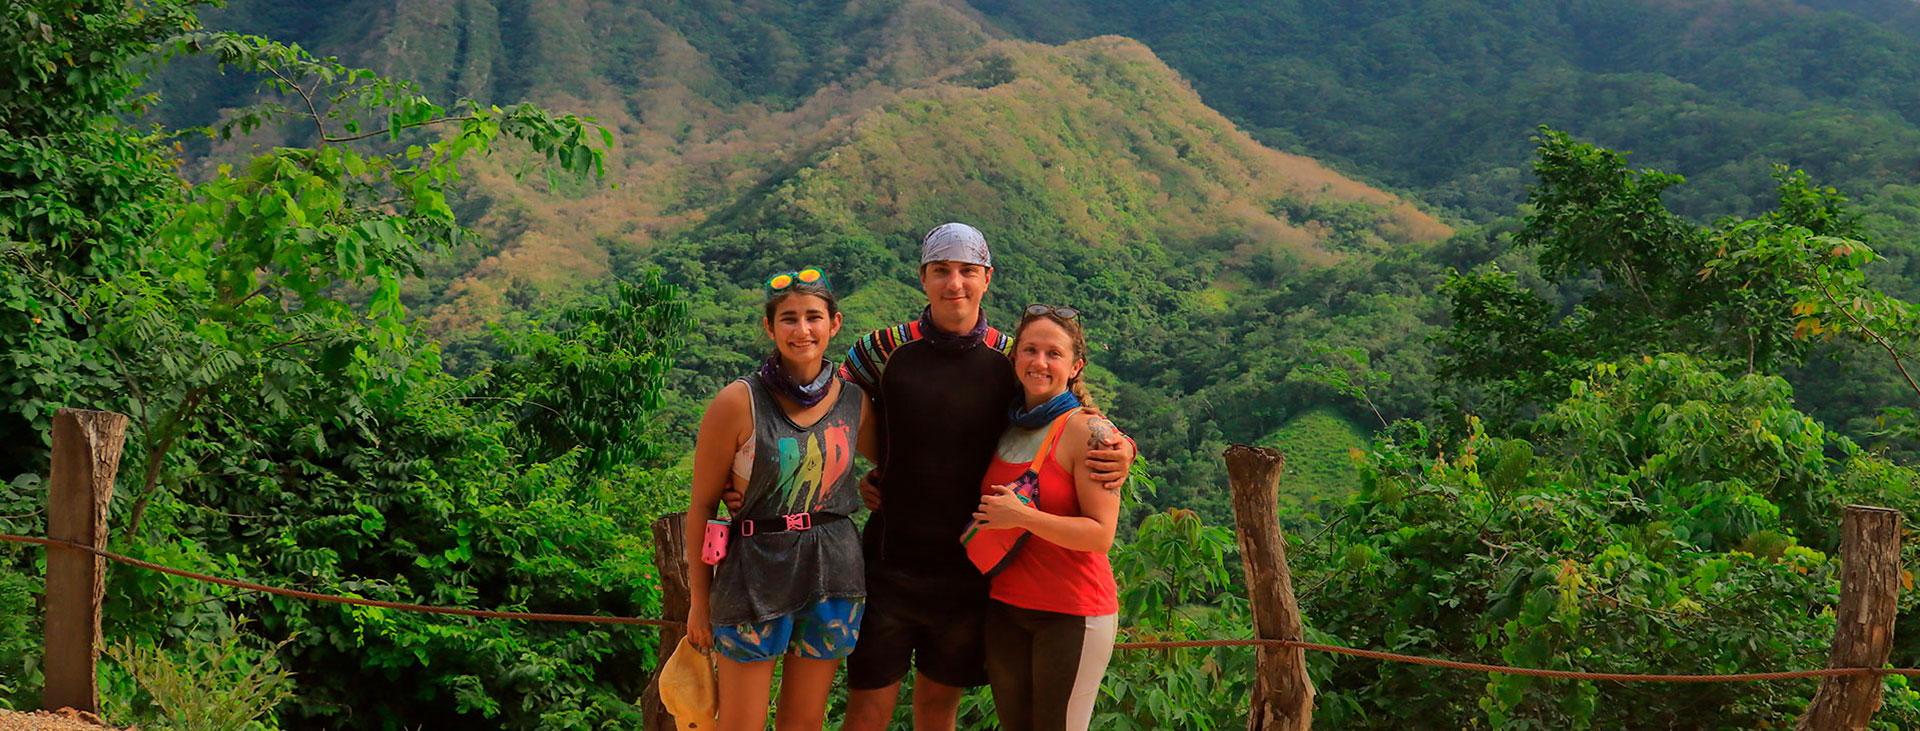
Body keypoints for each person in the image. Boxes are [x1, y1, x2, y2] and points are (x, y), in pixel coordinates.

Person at [834, 223, 1137, 731]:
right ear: (923, 278)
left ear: (987, 278)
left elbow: (1063, 407)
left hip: (970, 572)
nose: (955, 283)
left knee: (938, 712)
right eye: (941, 270)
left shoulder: (1010, 357)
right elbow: (829, 410)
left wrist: (1122, 446)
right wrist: (878, 467)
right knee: (866, 713)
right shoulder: (881, 349)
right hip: (889, 564)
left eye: (967, 271)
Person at [684, 268, 878, 731]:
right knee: (741, 723)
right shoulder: (739, 402)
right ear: (770, 328)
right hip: (753, 572)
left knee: (804, 722)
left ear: (834, 324)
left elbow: (895, 460)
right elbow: (702, 505)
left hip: (833, 570)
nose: (802, 329)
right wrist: (699, 601)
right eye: (789, 318)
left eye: (814, 317)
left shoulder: (853, 401)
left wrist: (875, 482)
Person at [972, 304, 1121, 731]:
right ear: (1015, 357)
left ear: (1075, 367)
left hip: (1072, 612)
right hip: (1006, 607)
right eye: (1030, 350)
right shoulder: (1007, 422)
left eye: (1054, 354)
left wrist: (1023, 517)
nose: (1040, 362)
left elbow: (1101, 535)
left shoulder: (1088, 432)